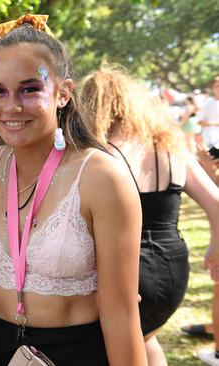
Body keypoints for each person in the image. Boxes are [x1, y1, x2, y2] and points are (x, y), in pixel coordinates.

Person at [0, 15, 146, 365]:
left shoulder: (101, 177)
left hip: (76, 352)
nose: (11, 107)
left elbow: (122, 313)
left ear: (63, 92)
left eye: (30, 89)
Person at [78, 65, 219, 365]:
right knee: (147, 337)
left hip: (125, 275)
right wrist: (214, 247)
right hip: (174, 272)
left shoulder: (100, 154)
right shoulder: (171, 147)